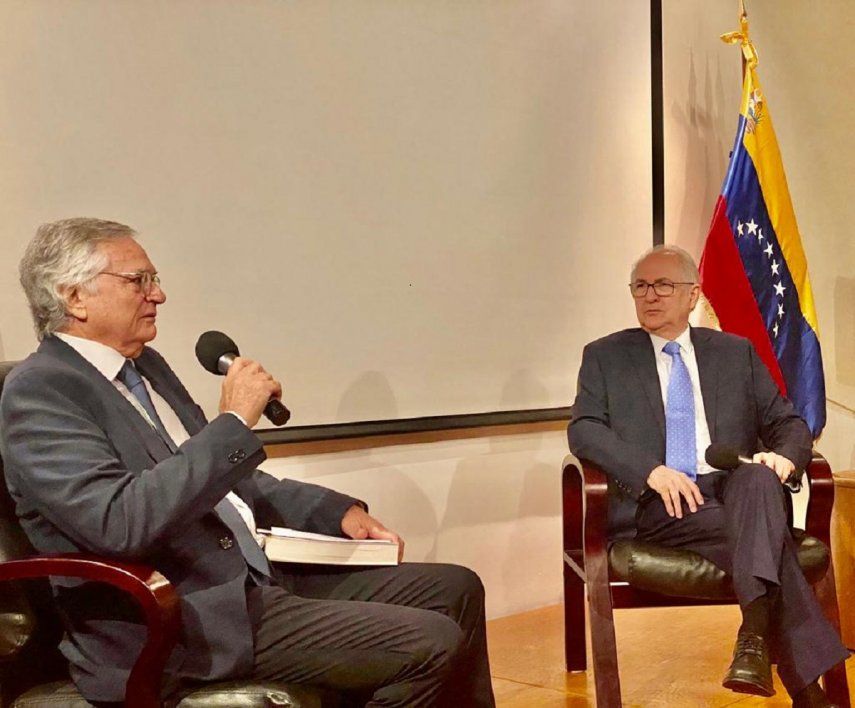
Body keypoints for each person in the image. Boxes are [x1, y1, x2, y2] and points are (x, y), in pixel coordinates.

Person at [0, 218, 496, 707]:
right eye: (139, 281)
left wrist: (333, 512)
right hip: (179, 618)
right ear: (74, 297)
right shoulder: (42, 390)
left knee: (454, 588)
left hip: (248, 578)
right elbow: (120, 522)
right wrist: (233, 422)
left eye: (155, 279)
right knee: (428, 641)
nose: (158, 295)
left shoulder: (144, 367)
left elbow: (226, 481)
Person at [567, 244, 848, 707]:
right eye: (640, 286)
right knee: (767, 537)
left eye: (663, 285)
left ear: (693, 294)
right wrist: (650, 471)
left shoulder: (735, 353)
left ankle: (754, 640)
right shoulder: (606, 356)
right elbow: (584, 429)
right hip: (662, 503)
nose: (650, 296)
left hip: (735, 490)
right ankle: (806, 689)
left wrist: (784, 457)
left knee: (758, 480)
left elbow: (789, 423)